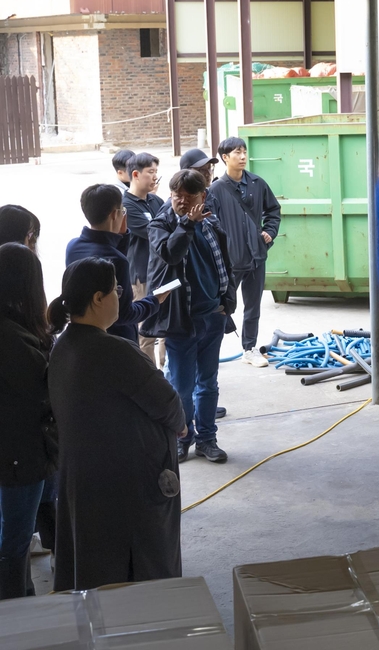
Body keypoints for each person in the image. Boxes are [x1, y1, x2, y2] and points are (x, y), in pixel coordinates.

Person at [48, 257, 185, 592]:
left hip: (84, 479)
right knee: (136, 575)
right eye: (115, 291)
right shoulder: (114, 350)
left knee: (96, 566)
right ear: (98, 298)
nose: (119, 297)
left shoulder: (63, 345)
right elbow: (167, 403)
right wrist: (181, 427)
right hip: (125, 484)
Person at [140, 169, 237, 465]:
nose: (181, 201)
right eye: (176, 195)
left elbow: (224, 263)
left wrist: (227, 301)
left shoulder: (210, 222)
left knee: (207, 382)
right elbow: (170, 254)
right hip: (182, 321)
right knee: (180, 385)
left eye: (188, 195)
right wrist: (186, 223)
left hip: (213, 316)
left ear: (202, 196)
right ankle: (182, 437)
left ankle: (207, 439)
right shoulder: (161, 223)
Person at [0, 243, 55, 600]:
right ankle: (15, 608)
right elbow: (43, 390)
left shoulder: (12, 328)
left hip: (13, 450)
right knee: (15, 541)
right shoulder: (14, 341)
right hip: (19, 454)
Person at [207, 136, 281, 368]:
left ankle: (249, 349)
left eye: (244, 152)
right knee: (221, 307)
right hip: (230, 261)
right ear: (225, 158)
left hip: (256, 256)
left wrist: (270, 231)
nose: (242, 157)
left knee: (253, 306)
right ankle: (210, 350)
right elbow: (209, 223)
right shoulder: (216, 189)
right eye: (237, 153)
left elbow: (274, 210)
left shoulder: (257, 183)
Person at [65, 184, 166, 346]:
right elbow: (124, 314)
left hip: (86, 335)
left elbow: (108, 249)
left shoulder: (73, 247)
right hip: (117, 340)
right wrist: (154, 301)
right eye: (122, 211)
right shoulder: (117, 261)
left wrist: (123, 236)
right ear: (114, 215)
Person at [123, 152, 168, 366]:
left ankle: (168, 372)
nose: (155, 177)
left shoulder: (156, 200)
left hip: (162, 273)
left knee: (167, 326)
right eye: (151, 172)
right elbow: (154, 233)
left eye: (156, 172)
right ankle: (152, 378)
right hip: (141, 276)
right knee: (146, 331)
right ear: (136, 174)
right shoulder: (127, 205)